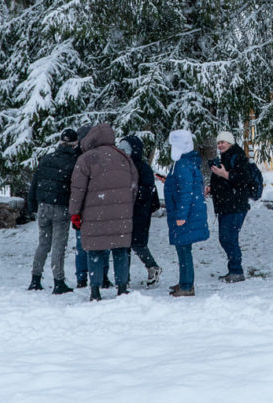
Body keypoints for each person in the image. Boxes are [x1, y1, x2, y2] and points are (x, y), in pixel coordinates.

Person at [69, 123, 138, 301]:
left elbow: (78, 190)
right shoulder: (124, 157)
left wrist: (75, 212)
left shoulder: (86, 159)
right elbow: (134, 185)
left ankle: (95, 290)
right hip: (121, 213)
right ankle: (122, 287)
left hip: (94, 215)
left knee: (95, 251)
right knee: (121, 250)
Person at [26, 128, 78, 294]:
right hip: (61, 207)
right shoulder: (74, 162)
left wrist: (32, 204)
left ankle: (35, 278)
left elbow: (35, 182)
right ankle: (58, 280)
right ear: (75, 144)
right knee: (58, 246)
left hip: (43, 206)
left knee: (43, 243)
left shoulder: (47, 158)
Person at [164, 129, 209, 297]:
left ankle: (187, 285)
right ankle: (185, 282)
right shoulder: (185, 163)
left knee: (183, 250)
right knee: (183, 249)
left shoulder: (182, 164)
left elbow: (186, 191)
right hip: (188, 213)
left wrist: (181, 215)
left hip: (186, 216)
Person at [120, 135, 162, 287]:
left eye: (126, 149)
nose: (122, 152)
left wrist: (131, 193)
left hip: (139, 213)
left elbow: (147, 190)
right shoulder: (120, 167)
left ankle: (152, 267)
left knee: (137, 243)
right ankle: (124, 278)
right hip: (124, 212)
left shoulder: (143, 168)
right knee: (124, 245)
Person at [208, 130, 250, 282]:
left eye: (223, 142)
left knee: (228, 238)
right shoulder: (225, 158)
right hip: (226, 205)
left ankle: (236, 271)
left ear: (230, 143)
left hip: (235, 206)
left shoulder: (237, 157)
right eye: (218, 143)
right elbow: (224, 182)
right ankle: (234, 269)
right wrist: (212, 188)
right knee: (226, 238)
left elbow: (244, 179)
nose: (220, 145)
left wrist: (224, 175)